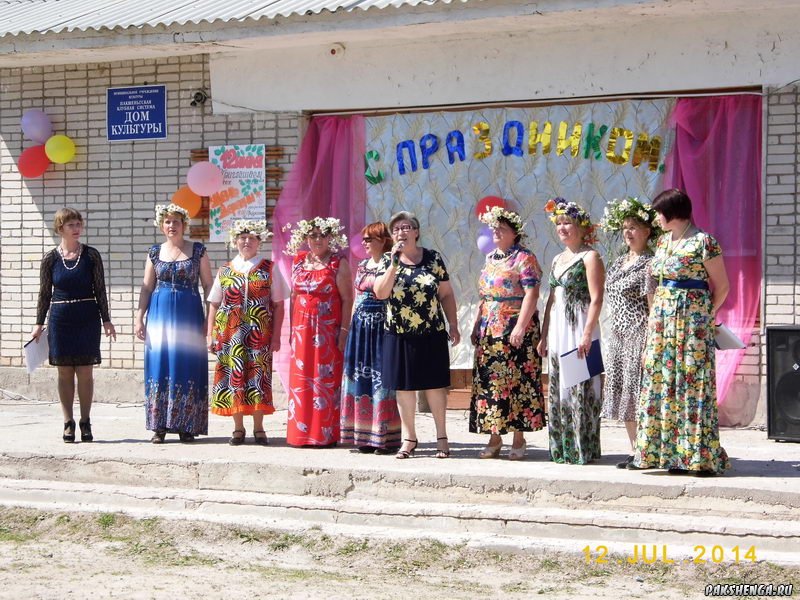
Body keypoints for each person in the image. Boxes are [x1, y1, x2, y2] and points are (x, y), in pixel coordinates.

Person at [629, 189, 730, 476]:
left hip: (692, 320)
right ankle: (670, 453)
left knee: (691, 383)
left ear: (673, 212)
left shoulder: (703, 242)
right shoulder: (662, 242)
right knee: (662, 382)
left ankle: (696, 455)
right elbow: (657, 283)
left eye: (660, 212)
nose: (657, 217)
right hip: (663, 321)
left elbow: (722, 286)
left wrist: (706, 316)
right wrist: (653, 320)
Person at [373, 211, 460, 459]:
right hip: (398, 333)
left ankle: (442, 437)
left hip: (430, 331)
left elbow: (446, 294)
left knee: (434, 385)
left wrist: (453, 323)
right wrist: (393, 264)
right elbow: (380, 293)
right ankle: (409, 439)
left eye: (406, 227)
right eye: (397, 229)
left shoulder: (433, 258)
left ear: (416, 231)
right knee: (404, 387)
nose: (402, 232)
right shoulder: (387, 261)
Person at [32, 207, 116, 443]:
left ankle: (85, 421)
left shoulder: (91, 255)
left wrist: (106, 319)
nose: (77, 228)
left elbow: (99, 289)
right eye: (72, 225)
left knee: (85, 372)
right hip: (60, 319)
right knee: (64, 372)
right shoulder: (50, 258)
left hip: (87, 317)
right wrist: (39, 323)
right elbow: (44, 294)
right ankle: (68, 422)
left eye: (79, 224)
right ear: (61, 228)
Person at [469, 206, 545, 461]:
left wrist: (521, 327)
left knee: (517, 383)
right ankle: (494, 436)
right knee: (492, 384)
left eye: (502, 228)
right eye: (494, 228)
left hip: (514, 328)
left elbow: (532, 293)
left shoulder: (524, 258)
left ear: (515, 233)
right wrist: (476, 324)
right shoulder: (490, 258)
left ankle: (518, 437)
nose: (496, 232)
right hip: (490, 329)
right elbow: (484, 295)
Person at [135, 203, 212, 444]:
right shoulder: (154, 252)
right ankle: (159, 426)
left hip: (189, 315)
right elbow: (147, 286)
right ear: (161, 225)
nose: (171, 226)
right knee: (160, 365)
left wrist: (210, 322)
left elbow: (209, 285)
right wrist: (139, 317)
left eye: (176, 222)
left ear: (184, 225)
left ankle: (187, 426)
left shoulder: (198, 250)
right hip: (159, 315)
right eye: (167, 222)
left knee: (187, 365)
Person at [207, 219, 286, 446]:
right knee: (235, 379)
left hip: (259, 335)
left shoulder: (269, 268)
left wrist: (276, 336)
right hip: (230, 336)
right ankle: (238, 429)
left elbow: (279, 305)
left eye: (251, 237)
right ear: (235, 241)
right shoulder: (225, 271)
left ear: (259, 241)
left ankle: (259, 429)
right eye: (242, 237)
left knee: (258, 378)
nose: (246, 241)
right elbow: (214, 303)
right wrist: (210, 335)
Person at [537, 198, 605, 464]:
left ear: (581, 227)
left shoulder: (590, 257)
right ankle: (561, 447)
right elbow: (552, 299)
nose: (563, 227)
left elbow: (597, 298)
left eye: (568, 223)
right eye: (560, 223)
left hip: (579, 326)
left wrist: (587, 333)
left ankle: (582, 447)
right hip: (558, 328)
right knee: (559, 385)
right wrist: (543, 335)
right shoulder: (557, 259)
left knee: (581, 385)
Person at [598, 198, 658, 468]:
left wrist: (652, 341)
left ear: (647, 231)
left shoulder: (650, 264)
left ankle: (647, 450)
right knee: (623, 393)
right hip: (618, 336)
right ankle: (635, 449)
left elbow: (653, 305)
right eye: (625, 228)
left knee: (638, 393)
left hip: (638, 334)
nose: (628, 232)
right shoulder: (619, 261)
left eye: (634, 227)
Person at [285, 217, 353, 447]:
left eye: (322, 235)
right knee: (301, 382)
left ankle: (325, 435)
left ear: (330, 238)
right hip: (302, 333)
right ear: (305, 238)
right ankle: (300, 435)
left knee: (325, 381)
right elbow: (293, 297)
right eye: (312, 235)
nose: (317, 239)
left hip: (327, 330)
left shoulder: (337, 262)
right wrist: (292, 330)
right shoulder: (298, 261)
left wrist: (344, 330)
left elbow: (347, 298)